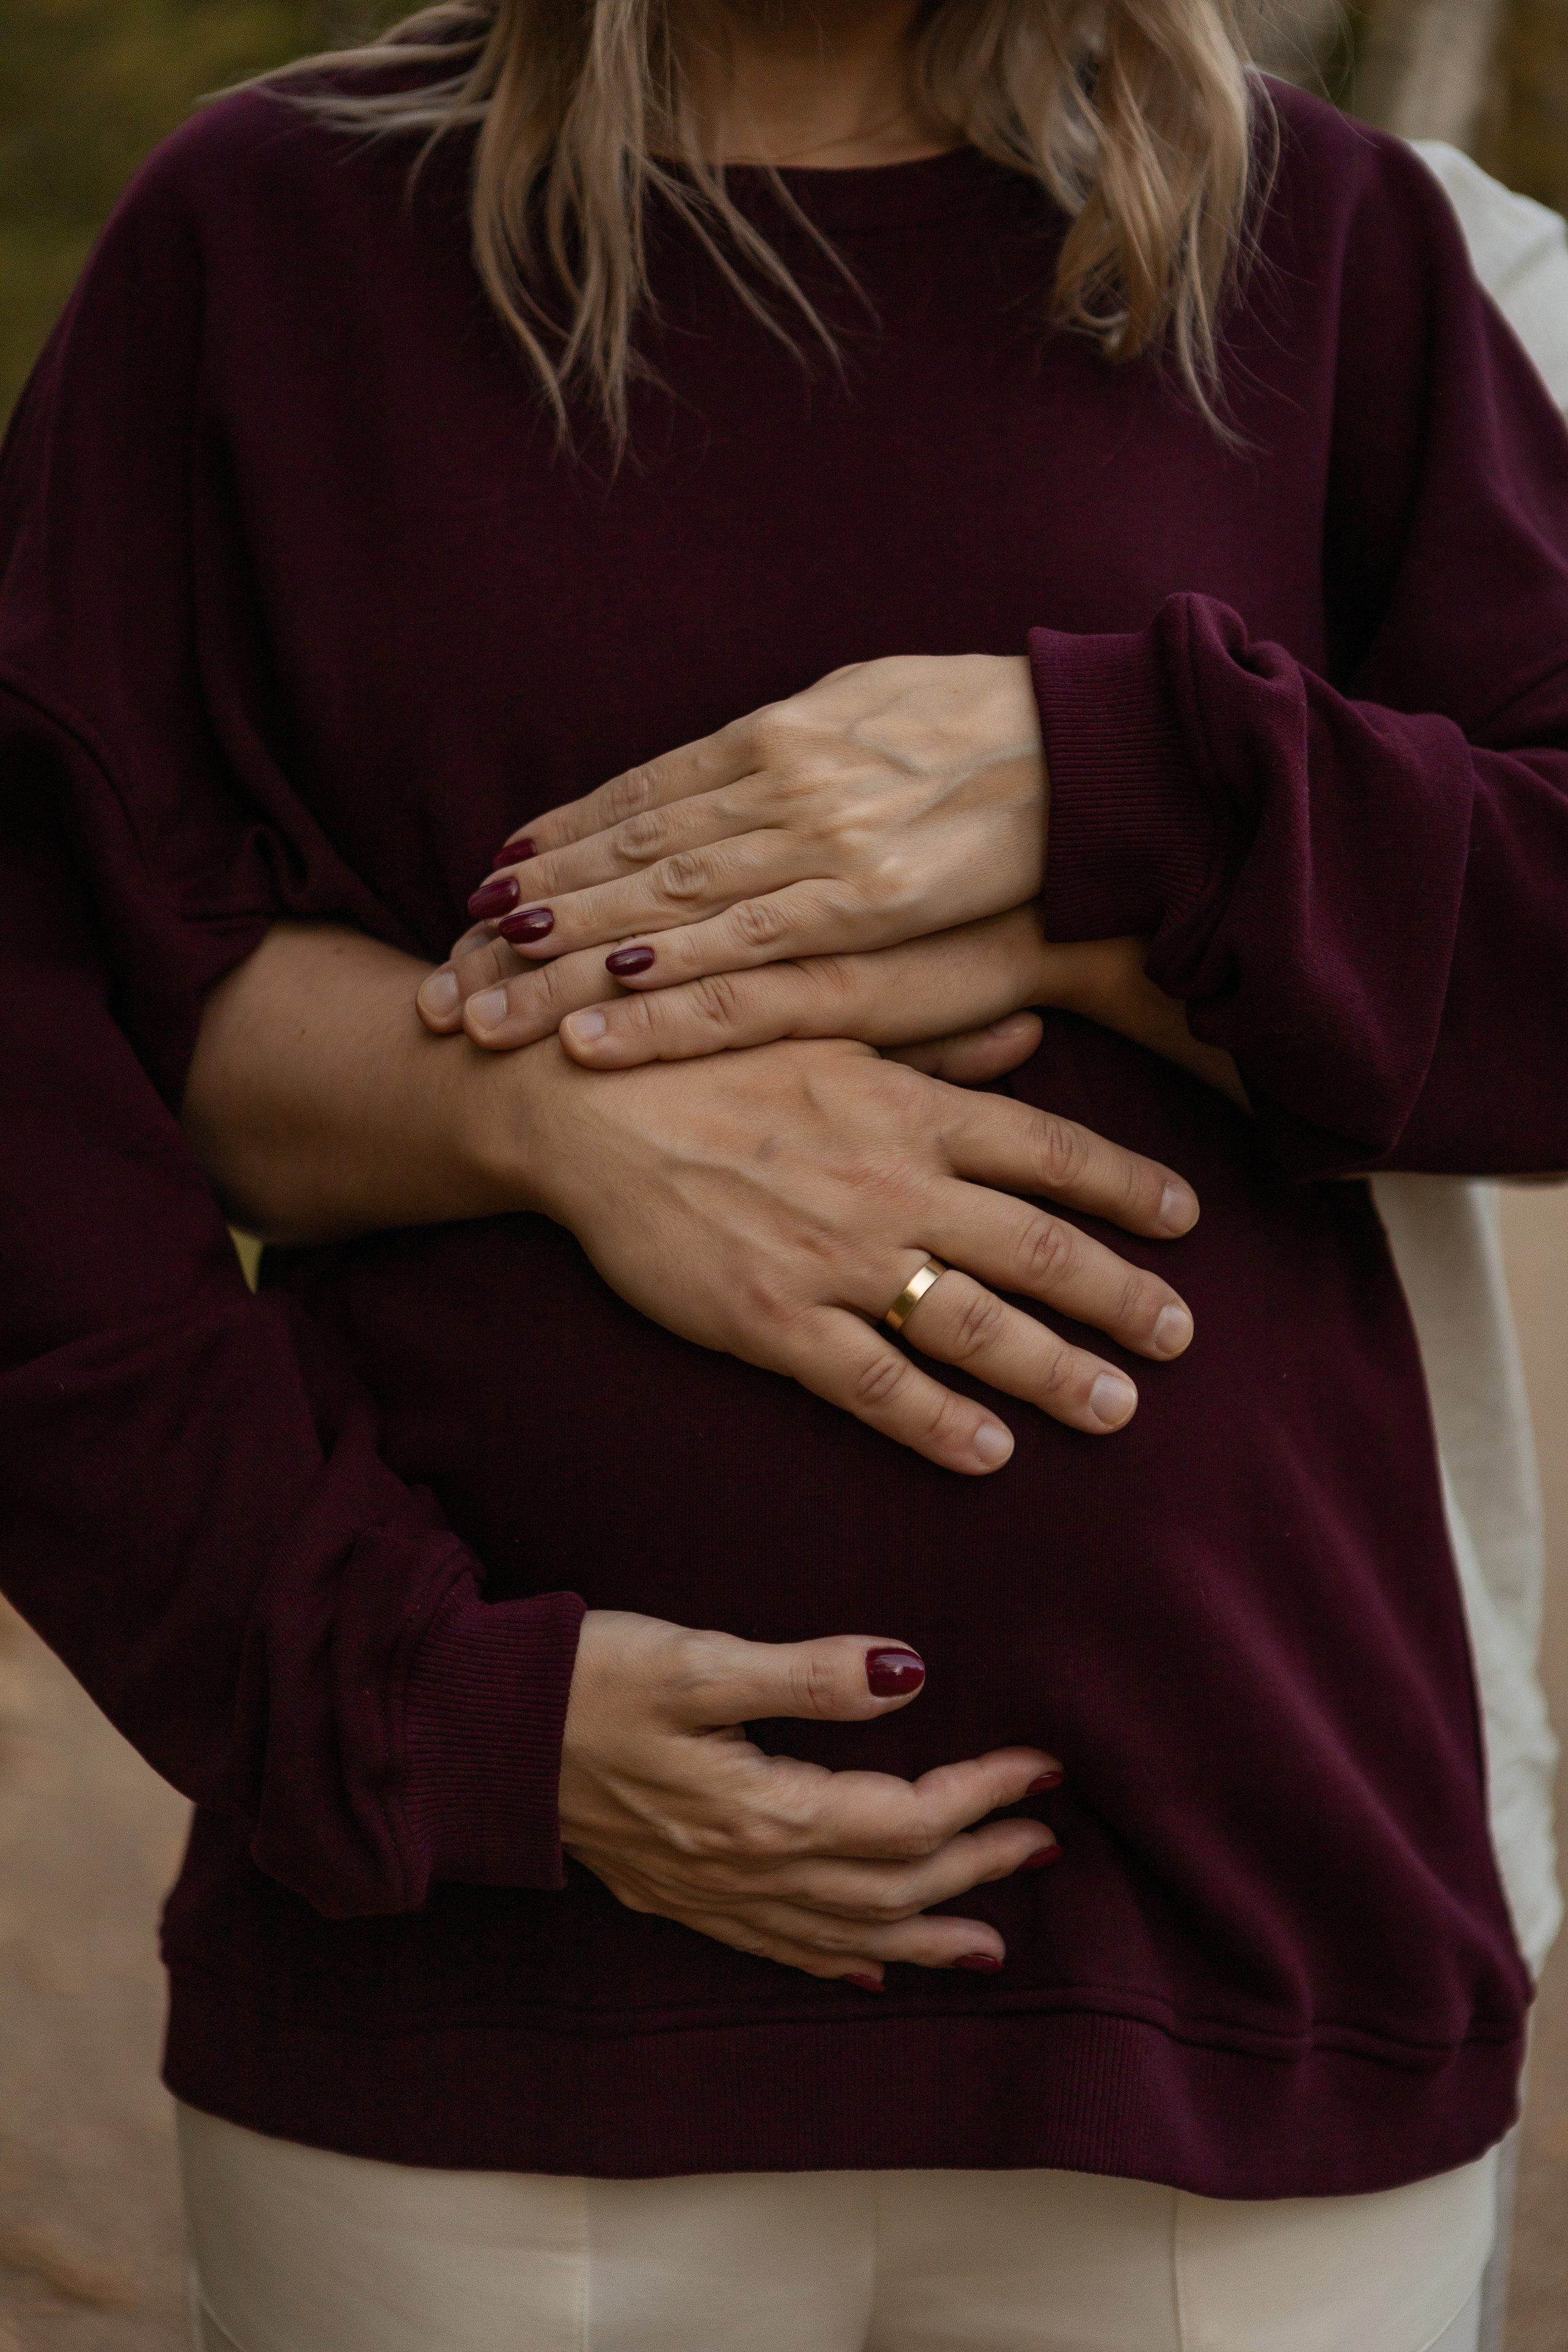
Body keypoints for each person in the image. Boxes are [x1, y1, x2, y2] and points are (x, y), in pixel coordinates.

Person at [2, 0, 1566, 2342]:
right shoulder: (270, 235)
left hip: (1229, 1975)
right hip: (481, 2021)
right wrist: (427, 1710)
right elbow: (40, 1103)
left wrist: (1112, 782)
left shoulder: (1324, 246)